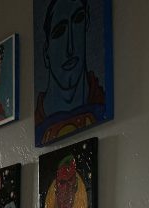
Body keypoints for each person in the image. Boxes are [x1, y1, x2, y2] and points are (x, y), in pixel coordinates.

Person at [35, 0, 107, 145]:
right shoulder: (38, 127)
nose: (70, 47)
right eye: (59, 32)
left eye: (78, 20)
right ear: (46, 53)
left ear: (86, 23)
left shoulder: (101, 107)